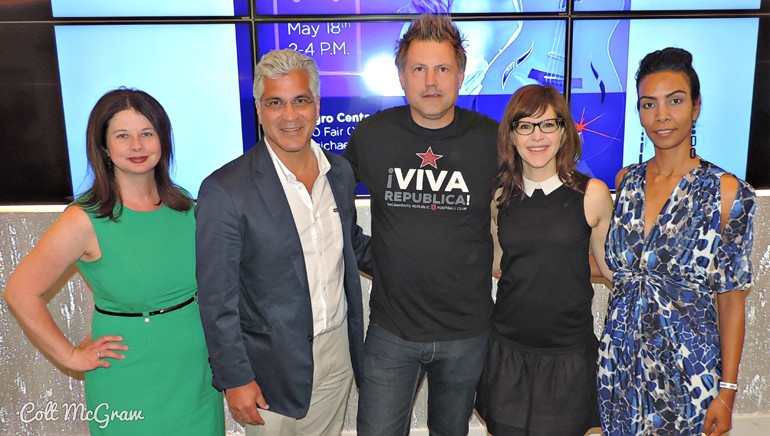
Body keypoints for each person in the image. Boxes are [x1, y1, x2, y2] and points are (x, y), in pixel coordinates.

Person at [3, 88, 225, 435]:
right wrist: (71, 356)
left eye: (146, 133)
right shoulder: (85, 218)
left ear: (163, 140)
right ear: (104, 147)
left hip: (196, 379)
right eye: (123, 136)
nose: (137, 146)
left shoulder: (184, 206)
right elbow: (20, 291)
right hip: (129, 380)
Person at [195, 48, 371, 436]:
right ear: (259, 110)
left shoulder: (338, 173)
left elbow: (351, 244)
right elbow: (215, 297)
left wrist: (426, 255)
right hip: (267, 368)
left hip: (336, 352)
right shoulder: (225, 190)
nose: (290, 116)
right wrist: (234, 377)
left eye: (300, 101)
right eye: (275, 103)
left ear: (317, 106)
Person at [343, 14, 499, 435]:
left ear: (462, 74)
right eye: (419, 68)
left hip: (467, 334)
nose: (431, 81)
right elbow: (325, 198)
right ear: (401, 75)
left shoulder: (493, 139)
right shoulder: (374, 134)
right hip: (392, 331)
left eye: (443, 68)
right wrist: (367, 255)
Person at [597, 47, 756, 435]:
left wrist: (727, 392)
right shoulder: (625, 182)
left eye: (676, 101)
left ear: (696, 107)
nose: (662, 116)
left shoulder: (728, 192)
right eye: (649, 104)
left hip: (688, 377)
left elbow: (731, 301)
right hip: (618, 370)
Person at [474, 84, 613, 435]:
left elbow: (613, 271)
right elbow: (500, 264)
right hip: (508, 351)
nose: (537, 136)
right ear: (512, 135)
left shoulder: (592, 194)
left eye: (548, 125)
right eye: (525, 125)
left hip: (568, 355)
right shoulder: (500, 195)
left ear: (564, 131)